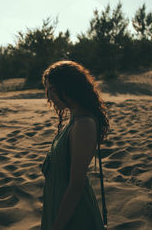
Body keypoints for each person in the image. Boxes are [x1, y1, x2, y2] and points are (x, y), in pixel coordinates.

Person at [41, 60, 109, 230]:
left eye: (51, 89)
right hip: (59, 204)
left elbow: (76, 185)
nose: (48, 96)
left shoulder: (83, 124)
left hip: (74, 215)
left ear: (67, 88)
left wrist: (57, 226)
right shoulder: (74, 119)